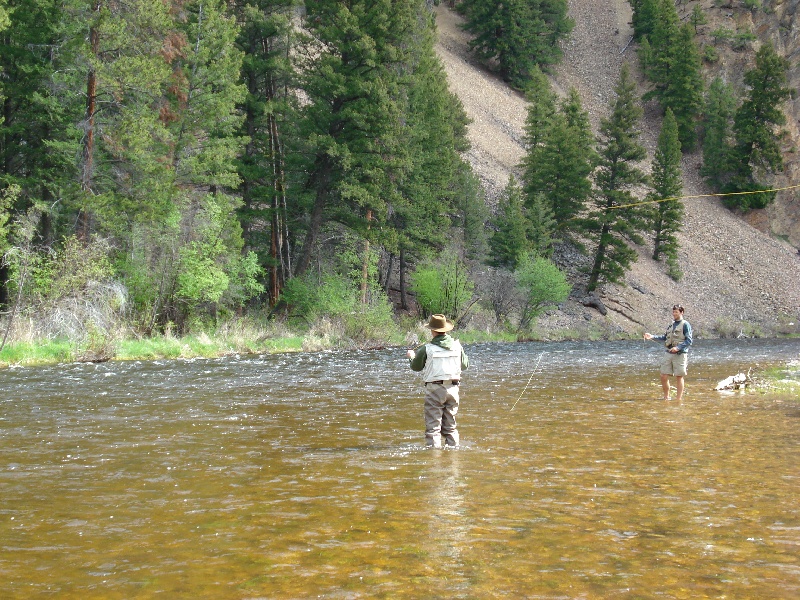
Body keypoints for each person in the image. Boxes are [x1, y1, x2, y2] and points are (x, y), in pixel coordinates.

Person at [406, 314, 469, 448]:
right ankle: (453, 457)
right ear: (446, 330)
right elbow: (465, 365)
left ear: (432, 331)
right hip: (453, 390)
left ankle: (433, 461)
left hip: (434, 390)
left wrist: (411, 357)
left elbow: (416, 367)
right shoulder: (457, 346)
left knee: (433, 429)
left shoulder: (427, 348)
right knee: (450, 427)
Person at [644, 304, 693, 401]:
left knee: (679, 376)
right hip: (668, 353)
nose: (674, 314)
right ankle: (666, 397)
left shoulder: (685, 324)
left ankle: (678, 399)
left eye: (676, 312)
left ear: (681, 312)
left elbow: (689, 341)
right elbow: (664, 337)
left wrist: (678, 348)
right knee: (663, 375)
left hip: (680, 354)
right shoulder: (671, 325)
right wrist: (652, 336)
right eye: (673, 312)